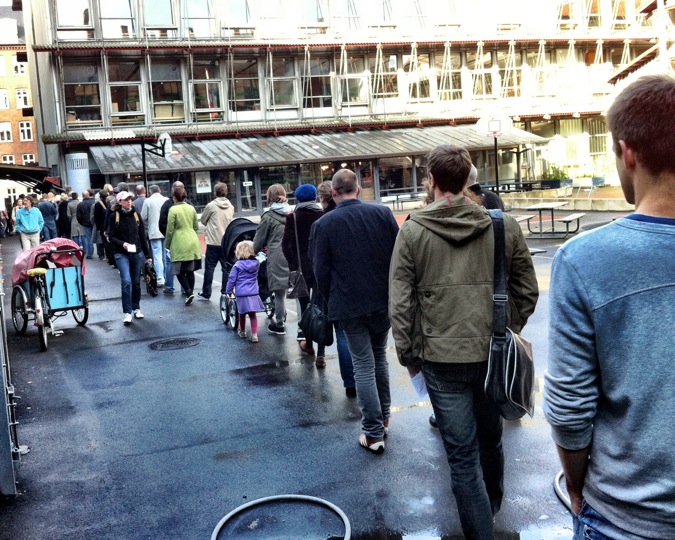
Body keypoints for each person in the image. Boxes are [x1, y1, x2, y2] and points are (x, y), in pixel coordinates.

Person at [543, 74, 675, 540]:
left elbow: (569, 409)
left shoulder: (584, 261)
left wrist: (577, 485)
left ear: (628, 152)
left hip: (627, 516)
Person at [389, 144, 538, 537]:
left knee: (461, 455)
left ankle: (479, 527)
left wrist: (409, 356)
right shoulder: (502, 225)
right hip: (493, 354)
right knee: (491, 441)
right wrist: (508, 328)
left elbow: (400, 305)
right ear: (468, 180)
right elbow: (527, 289)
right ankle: (490, 507)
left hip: (440, 359)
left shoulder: (413, 231)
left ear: (432, 181)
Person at [311, 169, 399, 453]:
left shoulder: (324, 224)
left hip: (348, 303)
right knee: (379, 359)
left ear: (334, 193)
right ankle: (384, 418)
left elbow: (320, 271)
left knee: (363, 364)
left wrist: (329, 298)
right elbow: (398, 257)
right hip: (382, 300)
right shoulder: (383, 214)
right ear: (358, 189)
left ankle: (372, 432)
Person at [314, 180, 356, 396]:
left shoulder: (322, 222)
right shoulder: (373, 213)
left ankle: (350, 382)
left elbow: (320, 265)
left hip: (337, 289)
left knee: (342, 334)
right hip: (366, 288)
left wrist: (324, 291)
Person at [282, 183, 324, 362]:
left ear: (297, 198)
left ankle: (308, 344)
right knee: (321, 308)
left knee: (306, 307)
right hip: (321, 267)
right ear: (315, 197)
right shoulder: (322, 215)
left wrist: (293, 264)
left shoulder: (293, 217)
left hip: (302, 269)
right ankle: (321, 353)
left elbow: (286, 245)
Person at [107, 191, 152, 325]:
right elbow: (111, 237)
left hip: (137, 253)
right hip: (121, 253)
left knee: (136, 282)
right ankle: (127, 312)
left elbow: (143, 237)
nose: (129, 202)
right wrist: (123, 244)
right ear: (119, 202)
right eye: (126, 200)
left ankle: (136, 308)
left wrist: (148, 255)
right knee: (126, 281)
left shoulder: (136, 215)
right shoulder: (114, 216)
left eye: (130, 199)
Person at [253, 184, 290, 335]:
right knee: (292, 290)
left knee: (279, 292)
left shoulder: (268, 217)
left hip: (276, 255)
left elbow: (259, 240)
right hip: (291, 254)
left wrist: (251, 253)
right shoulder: (291, 214)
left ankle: (279, 323)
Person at [164, 186, 201, 305]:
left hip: (179, 240)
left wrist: (167, 244)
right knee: (190, 270)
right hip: (192, 239)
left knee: (178, 270)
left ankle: (189, 291)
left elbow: (170, 229)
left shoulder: (173, 210)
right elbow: (196, 226)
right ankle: (191, 291)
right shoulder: (191, 208)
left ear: (174, 197)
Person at [197, 182, 234, 301]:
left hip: (213, 241)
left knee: (209, 268)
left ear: (215, 192)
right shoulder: (231, 206)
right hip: (226, 242)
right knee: (226, 269)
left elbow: (203, 220)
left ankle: (206, 292)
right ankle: (225, 291)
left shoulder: (211, 206)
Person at [225, 240, 265, 343]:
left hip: (242, 293)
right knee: (253, 315)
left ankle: (242, 331)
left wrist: (228, 291)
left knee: (241, 313)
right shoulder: (256, 263)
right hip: (253, 292)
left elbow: (232, 279)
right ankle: (254, 335)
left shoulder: (237, 265)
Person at [159, 181, 187, 294]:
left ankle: (170, 286)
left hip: (172, 237)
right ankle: (185, 288)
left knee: (169, 262)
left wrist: (167, 235)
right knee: (185, 263)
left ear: (172, 191)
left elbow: (162, 222)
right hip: (185, 238)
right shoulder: (188, 205)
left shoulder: (167, 204)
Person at [140, 185, 169, 289]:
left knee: (157, 256)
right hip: (166, 231)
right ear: (160, 190)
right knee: (166, 255)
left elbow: (143, 216)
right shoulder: (166, 200)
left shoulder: (148, 201)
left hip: (154, 231)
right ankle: (167, 277)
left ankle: (160, 279)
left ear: (150, 191)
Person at [76, 189, 95, 258]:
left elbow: (78, 216)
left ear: (83, 196)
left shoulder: (80, 204)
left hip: (86, 223)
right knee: (98, 237)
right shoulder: (94, 202)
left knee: (88, 238)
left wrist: (82, 223)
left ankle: (90, 253)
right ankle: (101, 253)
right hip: (94, 223)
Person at [93, 189, 108, 260]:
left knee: (104, 241)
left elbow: (96, 217)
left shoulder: (97, 204)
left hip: (102, 224)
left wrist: (98, 228)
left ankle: (106, 255)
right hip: (109, 223)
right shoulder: (110, 202)